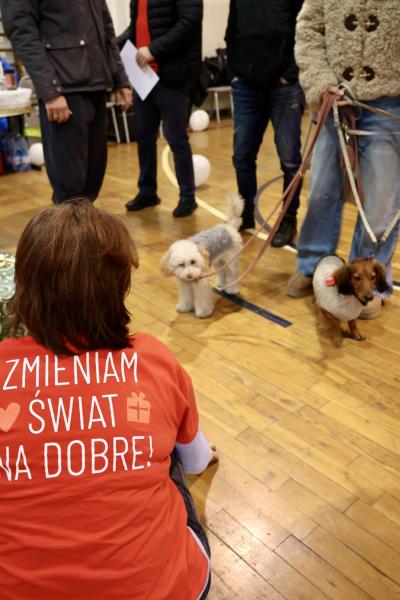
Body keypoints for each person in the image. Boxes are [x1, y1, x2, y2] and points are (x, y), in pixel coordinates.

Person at [0, 199, 215, 599]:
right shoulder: (154, 359)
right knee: (171, 460)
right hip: (168, 589)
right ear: (119, 286)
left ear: (25, 285)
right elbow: (199, 461)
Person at [287, 0, 400, 318]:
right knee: (322, 189)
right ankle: (312, 264)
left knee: (381, 203)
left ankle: (368, 282)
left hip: (389, 105)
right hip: (333, 99)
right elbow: (309, 28)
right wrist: (321, 83)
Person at [0, 0, 132, 203]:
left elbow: (106, 30)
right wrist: (50, 90)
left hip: (97, 86)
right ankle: (68, 234)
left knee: (92, 181)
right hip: (64, 91)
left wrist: (120, 79)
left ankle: (82, 232)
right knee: (69, 187)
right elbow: (21, 30)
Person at [225, 0, 304, 246]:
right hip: (246, 88)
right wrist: (235, 73)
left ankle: (288, 220)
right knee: (242, 157)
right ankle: (245, 215)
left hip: (283, 89)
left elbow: (304, 32)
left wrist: (289, 74)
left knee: (290, 161)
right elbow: (231, 34)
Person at [120, 0, 202, 218]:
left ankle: (188, 197)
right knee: (144, 137)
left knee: (176, 138)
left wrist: (154, 50)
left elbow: (189, 22)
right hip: (144, 76)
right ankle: (147, 193)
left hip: (172, 76)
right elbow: (135, 29)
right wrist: (113, 43)